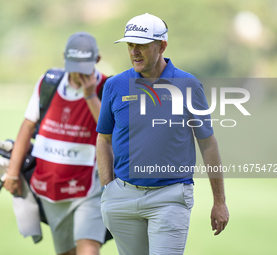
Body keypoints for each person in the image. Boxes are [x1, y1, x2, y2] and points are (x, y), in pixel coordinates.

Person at [96, 13, 229, 255]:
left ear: (162, 45)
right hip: (122, 197)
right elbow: (103, 138)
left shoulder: (188, 85)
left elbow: (207, 143)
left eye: (142, 45)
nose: (134, 51)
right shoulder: (114, 85)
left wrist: (219, 201)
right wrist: (108, 188)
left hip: (170, 197)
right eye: (130, 44)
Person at [3, 32, 108, 255]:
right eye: (73, 64)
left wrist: (90, 96)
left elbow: (110, 131)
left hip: (89, 187)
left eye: (84, 65)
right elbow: (27, 127)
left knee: (88, 249)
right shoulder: (48, 83)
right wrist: (12, 173)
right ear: (64, 58)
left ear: (97, 60)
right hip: (50, 189)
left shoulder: (107, 87)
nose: (78, 71)